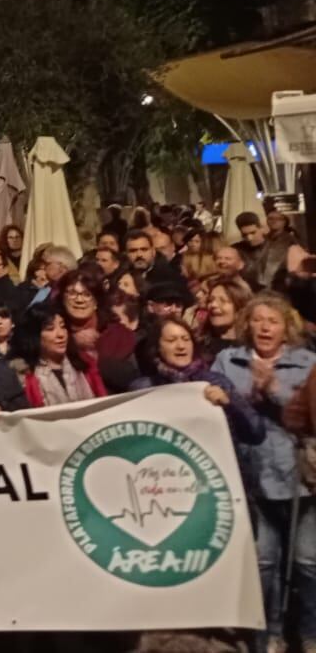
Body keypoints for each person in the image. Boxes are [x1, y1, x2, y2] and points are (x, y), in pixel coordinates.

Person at [213, 292, 316, 648]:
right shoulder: (228, 360)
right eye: (257, 320)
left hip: (300, 478)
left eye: (272, 320)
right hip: (252, 477)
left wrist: (273, 389)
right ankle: (267, 633)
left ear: (287, 329)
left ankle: (308, 632)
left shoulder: (307, 362)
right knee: (263, 562)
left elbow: (311, 416)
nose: (264, 327)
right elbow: (213, 404)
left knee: (306, 561)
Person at [134, 317, 264, 447]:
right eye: (171, 340)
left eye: (186, 339)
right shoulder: (144, 387)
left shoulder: (216, 381)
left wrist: (230, 405)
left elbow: (256, 433)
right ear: (157, 347)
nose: (181, 346)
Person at [16, 307, 105, 407]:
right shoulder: (25, 377)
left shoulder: (85, 364)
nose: (61, 334)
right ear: (34, 335)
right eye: (50, 329)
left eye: (63, 327)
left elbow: (103, 403)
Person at [198, 274, 253, 362]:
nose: (213, 305)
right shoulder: (198, 347)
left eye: (223, 301)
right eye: (210, 300)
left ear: (240, 308)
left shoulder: (251, 350)